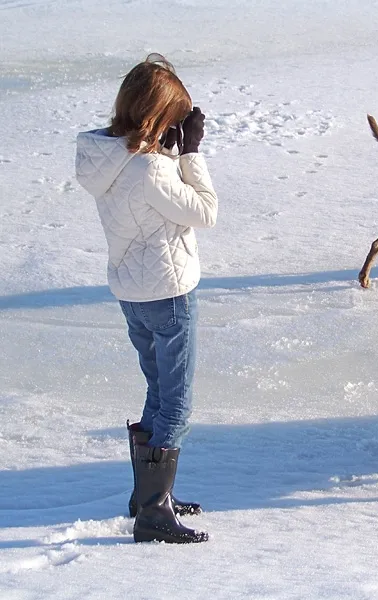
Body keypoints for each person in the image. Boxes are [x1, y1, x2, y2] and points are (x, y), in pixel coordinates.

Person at [75, 54, 217, 544]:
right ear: (156, 117)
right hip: (169, 292)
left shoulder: (106, 158)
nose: (180, 129)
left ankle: (147, 496)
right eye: (175, 119)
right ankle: (154, 514)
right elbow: (205, 211)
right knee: (176, 404)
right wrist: (191, 154)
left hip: (131, 294)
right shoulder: (153, 170)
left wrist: (169, 154)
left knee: (157, 392)